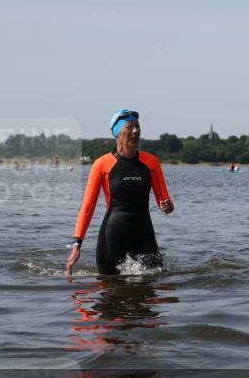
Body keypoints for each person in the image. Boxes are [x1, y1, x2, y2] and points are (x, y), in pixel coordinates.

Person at [66, 110, 174, 277]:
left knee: (152, 288)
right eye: (129, 127)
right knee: (111, 293)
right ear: (117, 132)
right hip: (113, 239)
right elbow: (87, 208)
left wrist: (168, 206)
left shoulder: (151, 163)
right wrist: (77, 244)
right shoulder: (102, 165)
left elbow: (163, 201)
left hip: (144, 237)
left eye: (137, 127)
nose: (136, 131)